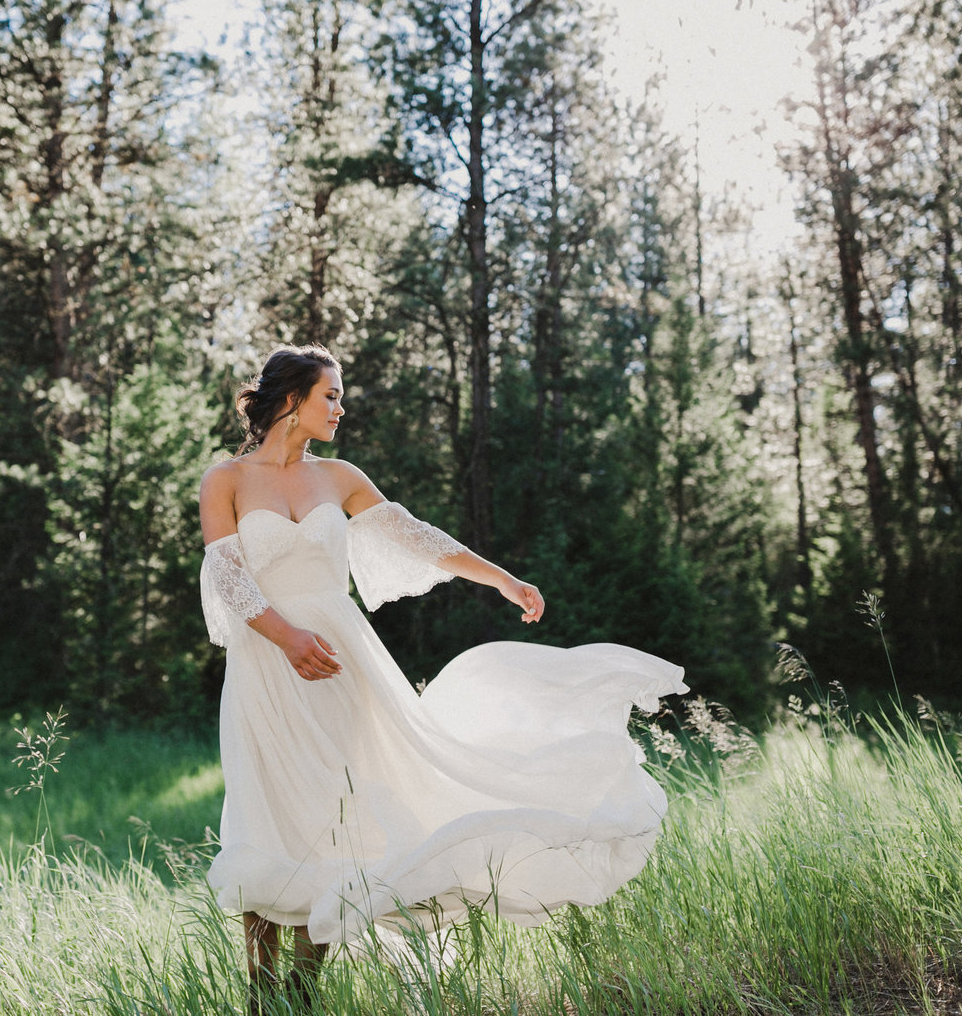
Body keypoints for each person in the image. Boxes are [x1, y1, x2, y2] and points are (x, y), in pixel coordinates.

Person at [198, 344, 687, 1014]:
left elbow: (415, 534)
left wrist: (502, 578)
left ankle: (302, 996)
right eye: (330, 395)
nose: (341, 407)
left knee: (337, 825)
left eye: (341, 396)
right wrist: (287, 637)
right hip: (266, 668)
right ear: (291, 398)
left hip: (342, 668)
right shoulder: (225, 480)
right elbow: (227, 575)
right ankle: (258, 999)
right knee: (267, 818)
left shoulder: (338, 476)